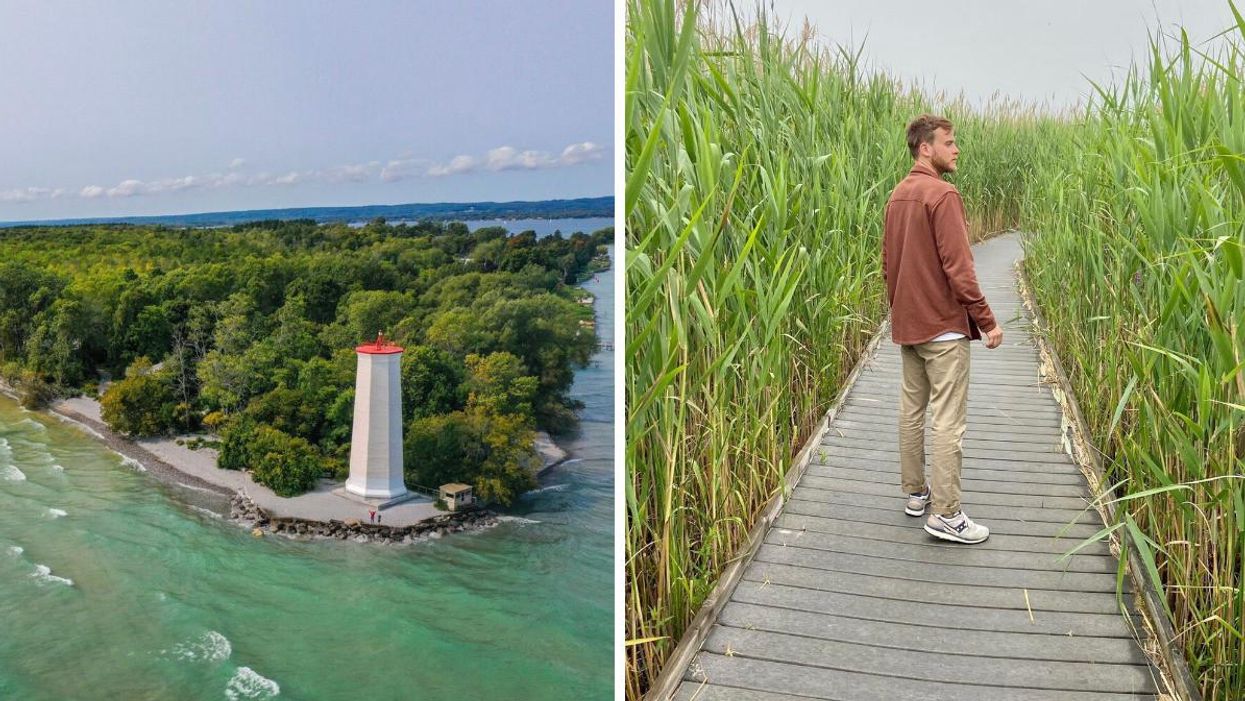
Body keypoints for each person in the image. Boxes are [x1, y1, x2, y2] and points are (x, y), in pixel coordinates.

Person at [881, 114, 1003, 545]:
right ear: (925, 148)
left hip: (909, 327)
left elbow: (887, 265)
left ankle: (916, 494)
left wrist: (900, 311)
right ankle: (946, 514)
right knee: (948, 421)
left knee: (911, 412)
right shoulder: (943, 195)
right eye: (949, 143)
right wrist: (986, 321)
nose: (956, 150)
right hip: (943, 332)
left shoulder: (898, 195)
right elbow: (960, 269)